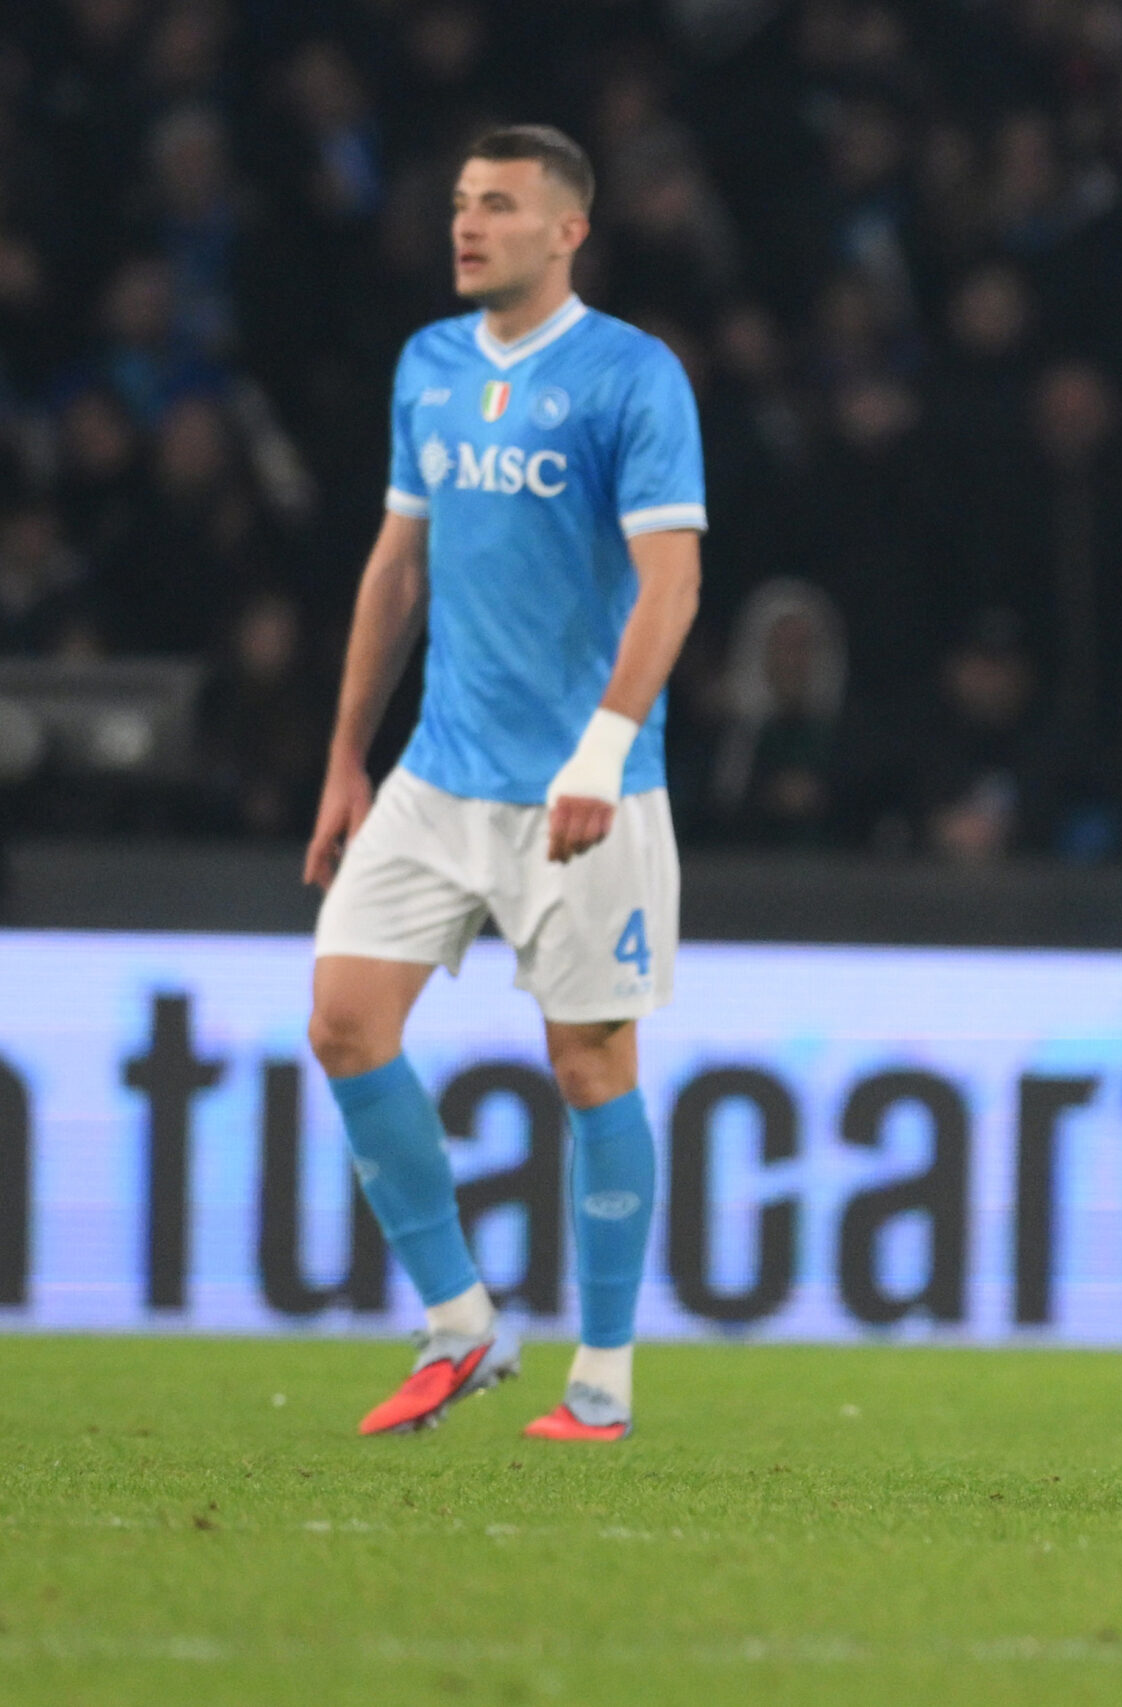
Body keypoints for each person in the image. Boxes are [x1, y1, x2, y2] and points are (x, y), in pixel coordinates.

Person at [301, 126, 705, 1444]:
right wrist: (347, 756)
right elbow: (397, 569)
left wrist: (602, 746)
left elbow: (673, 583)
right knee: (343, 1022)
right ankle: (460, 1320)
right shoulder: (428, 363)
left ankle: (604, 1378)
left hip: (587, 788)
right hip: (438, 772)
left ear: (568, 231)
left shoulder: (631, 375)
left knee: (589, 1061)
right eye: (461, 203)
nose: (468, 226)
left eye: (500, 207)